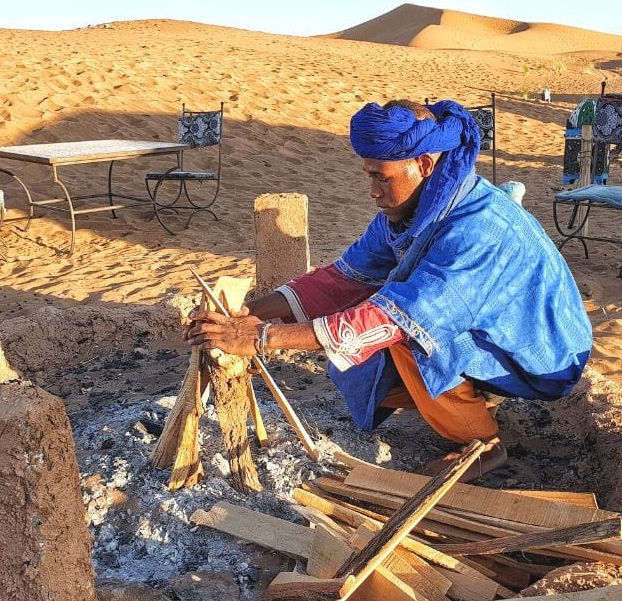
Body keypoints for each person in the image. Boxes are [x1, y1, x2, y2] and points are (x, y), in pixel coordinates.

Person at [186, 99, 592, 478]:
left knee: (403, 330)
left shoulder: (478, 229)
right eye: (369, 177)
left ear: (425, 164)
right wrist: (251, 314)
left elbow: (399, 318)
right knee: (368, 312)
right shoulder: (412, 212)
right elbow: (344, 278)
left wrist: (261, 338)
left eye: (382, 178)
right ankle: (462, 400)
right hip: (492, 333)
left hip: (537, 353)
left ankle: (483, 445)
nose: (373, 191)